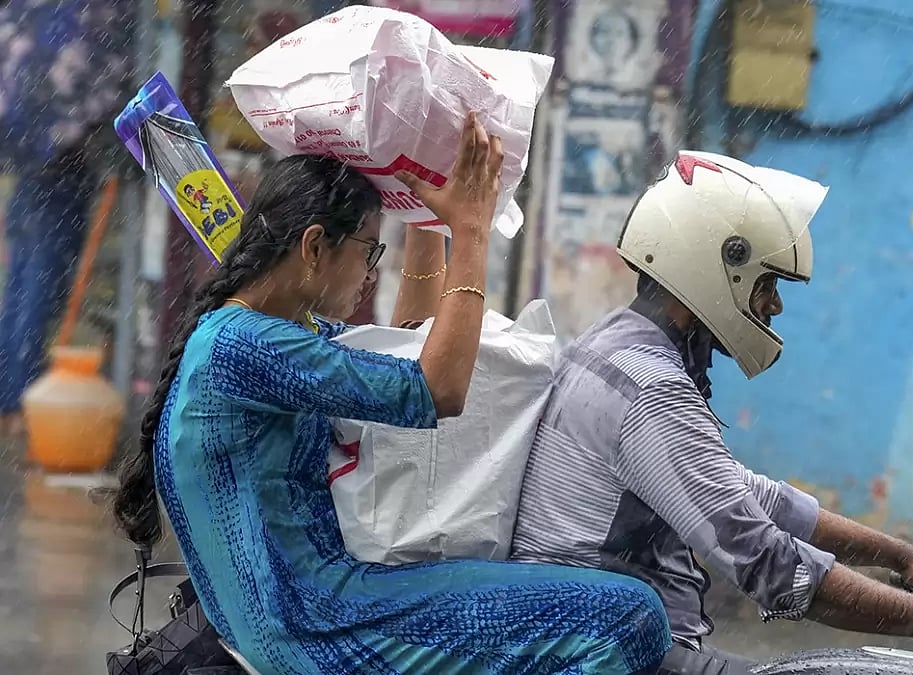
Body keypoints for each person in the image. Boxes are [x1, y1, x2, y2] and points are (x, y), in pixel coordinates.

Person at [101, 115, 673, 675]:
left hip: (308, 615)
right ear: (314, 247)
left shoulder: (259, 335)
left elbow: (404, 349)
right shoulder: (247, 346)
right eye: (368, 252)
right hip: (318, 626)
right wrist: (471, 232)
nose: (372, 273)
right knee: (629, 616)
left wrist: (426, 217)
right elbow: (436, 388)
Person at [510, 151, 913, 671]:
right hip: (611, 653)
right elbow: (772, 567)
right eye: (766, 284)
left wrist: (905, 557)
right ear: (714, 269)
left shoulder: (610, 347)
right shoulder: (653, 391)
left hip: (590, 637)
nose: (773, 306)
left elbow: (750, 496)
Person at [0, 0, 134, 437]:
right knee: (40, 287)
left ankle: (12, 397)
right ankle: (22, 400)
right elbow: (106, 82)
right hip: (61, 164)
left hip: (30, 158)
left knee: (23, 283)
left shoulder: (30, 12)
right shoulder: (88, 14)